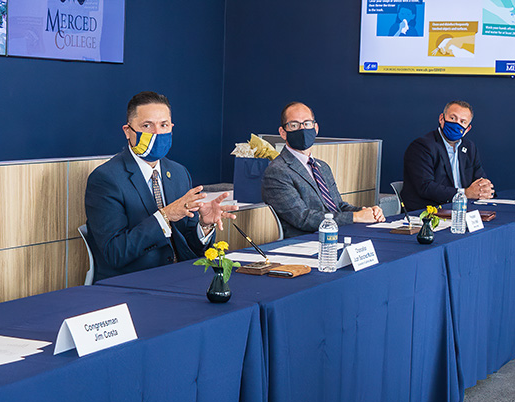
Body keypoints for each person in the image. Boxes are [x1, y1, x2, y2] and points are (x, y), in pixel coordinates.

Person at [84, 91, 238, 282]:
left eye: (164, 125)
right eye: (147, 126)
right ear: (127, 131)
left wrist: (204, 226)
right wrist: (164, 217)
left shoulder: (179, 173)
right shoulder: (106, 179)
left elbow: (189, 245)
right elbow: (115, 252)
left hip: (180, 278)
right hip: (132, 283)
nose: (157, 133)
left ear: (171, 128)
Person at [262, 102, 384, 238]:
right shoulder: (277, 171)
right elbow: (302, 218)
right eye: (294, 125)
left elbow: (338, 206)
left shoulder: (322, 167)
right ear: (283, 133)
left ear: (315, 128)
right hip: (307, 241)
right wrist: (355, 217)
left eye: (307, 123)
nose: (302, 129)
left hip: (336, 235)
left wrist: (367, 212)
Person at [401, 101, 494, 212]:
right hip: (427, 212)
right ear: (442, 119)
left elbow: (480, 180)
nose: (456, 124)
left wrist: (484, 189)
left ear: (467, 129)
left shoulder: (469, 147)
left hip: (462, 210)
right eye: (453, 118)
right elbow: (425, 187)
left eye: (462, 122)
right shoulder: (422, 146)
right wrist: (465, 193)